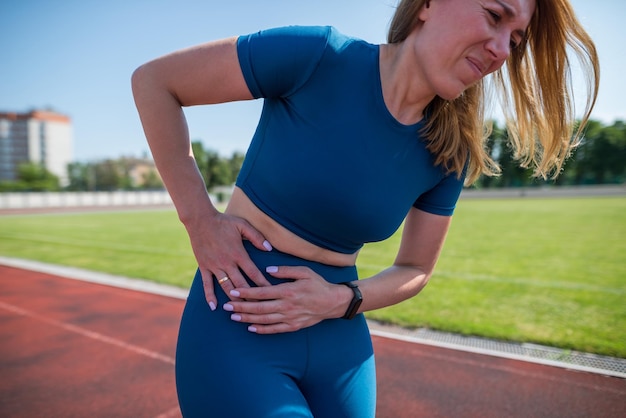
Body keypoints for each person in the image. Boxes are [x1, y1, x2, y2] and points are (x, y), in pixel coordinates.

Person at [132, 0, 599, 416]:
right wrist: (200, 220)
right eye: (495, 16)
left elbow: (416, 267)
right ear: (428, 4)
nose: (501, 49)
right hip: (241, 319)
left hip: (342, 341)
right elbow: (155, 82)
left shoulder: (451, 150)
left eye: (515, 40)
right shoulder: (318, 56)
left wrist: (341, 299)